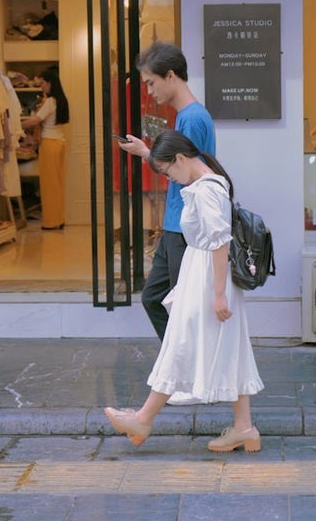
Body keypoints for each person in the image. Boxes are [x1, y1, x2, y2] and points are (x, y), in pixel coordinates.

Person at [104, 130, 264, 452]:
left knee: (180, 343)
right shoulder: (208, 182)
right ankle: (244, 427)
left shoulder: (206, 190)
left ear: (179, 159)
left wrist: (218, 294)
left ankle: (144, 419)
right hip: (205, 275)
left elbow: (220, 242)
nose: (171, 180)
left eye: (168, 172)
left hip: (206, 279)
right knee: (226, 346)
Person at [118, 42, 215, 341]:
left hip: (184, 228)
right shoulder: (189, 116)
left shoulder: (191, 118)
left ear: (170, 75)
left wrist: (147, 154)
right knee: (156, 299)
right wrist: (147, 152)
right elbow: (182, 169)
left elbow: (187, 175)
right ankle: (178, 366)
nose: (149, 92)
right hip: (176, 225)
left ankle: (182, 368)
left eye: (151, 83)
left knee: (179, 307)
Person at [21, 66, 69, 230]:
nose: (41, 86)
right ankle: (59, 218)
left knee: (49, 185)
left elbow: (35, 120)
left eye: (43, 83)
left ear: (50, 83)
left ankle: (51, 222)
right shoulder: (60, 100)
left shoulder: (50, 101)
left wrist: (17, 126)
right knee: (57, 183)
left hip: (49, 144)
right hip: (60, 143)